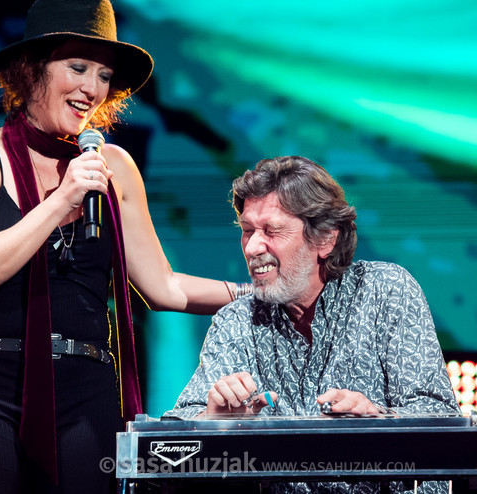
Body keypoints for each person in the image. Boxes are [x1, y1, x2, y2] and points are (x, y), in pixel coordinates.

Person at [0, 1, 249, 493]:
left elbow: (164, 288)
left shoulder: (113, 165)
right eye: (77, 68)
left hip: (84, 389)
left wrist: (261, 294)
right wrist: (62, 201)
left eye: (103, 76)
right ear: (31, 70)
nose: (91, 88)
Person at [165, 156, 460, 493]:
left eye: (271, 231)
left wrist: (376, 420)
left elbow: (440, 416)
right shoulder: (236, 321)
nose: (252, 247)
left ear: (325, 239)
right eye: (247, 231)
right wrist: (212, 424)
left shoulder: (386, 291)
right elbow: (175, 435)